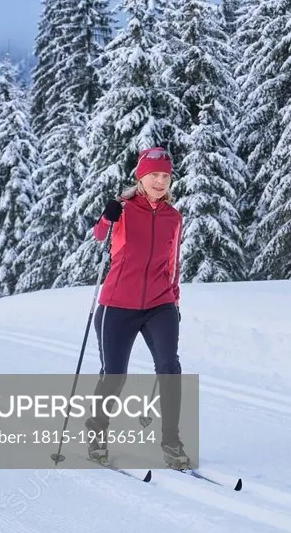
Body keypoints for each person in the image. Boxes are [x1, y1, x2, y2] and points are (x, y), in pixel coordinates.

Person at [83, 146, 188, 469]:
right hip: (117, 305)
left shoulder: (174, 217)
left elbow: (173, 263)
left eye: (165, 176)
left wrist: (174, 298)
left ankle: (171, 441)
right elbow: (99, 235)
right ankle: (97, 431)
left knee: (169, 369)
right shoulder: (124, 209)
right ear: (140, 177)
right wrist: (106, 215)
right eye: (153, 175)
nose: (160, 181)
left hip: (160, 304)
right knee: (114, 375)